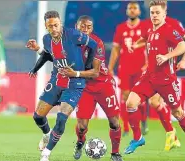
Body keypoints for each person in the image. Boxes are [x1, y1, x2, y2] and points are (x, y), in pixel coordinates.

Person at [29, 15, 123, 161]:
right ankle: (80, 142)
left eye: (89, 27)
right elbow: (55, 56)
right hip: (84, 86)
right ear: (77, 27)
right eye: (82, 26)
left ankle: (115, 153)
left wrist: (76, 73)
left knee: (114, 122)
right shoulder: (70, 38)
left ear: (92, 28)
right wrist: (39, 51)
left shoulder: (96, 43)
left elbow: (95, 72)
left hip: (102, 84)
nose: (85, 29)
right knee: (81, 126)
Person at [124, 1, 185, 158]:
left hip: (166, 80)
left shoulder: (170, 29)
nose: (154, 15)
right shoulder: (150, 28)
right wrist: (134, 46)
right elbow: (145, 39)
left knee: (177, 112)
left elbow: (183, 46)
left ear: (164, 14)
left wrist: (166, 57)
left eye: (157, 13)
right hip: (149, 77)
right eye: (152, 13)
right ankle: (138, 138)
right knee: (130, 103)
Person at [25, 11, 98, 161]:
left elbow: (93, 44)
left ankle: (46, 153)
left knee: (61, 118)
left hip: (74, 83)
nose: (54, 28)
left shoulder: (72, 35)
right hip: (56, 80)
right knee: (38, 116)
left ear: (61, 24)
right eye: (50, 26)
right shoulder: (46, 40)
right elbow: (48, 55)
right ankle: (47, 134)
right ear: (46, 27)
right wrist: (35, 68)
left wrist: (87, 66)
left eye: (56, 25)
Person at [108, 1, 149, 137]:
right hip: (124, 68)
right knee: (125, 97)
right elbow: (116, 49)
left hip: (140, 69)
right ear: (126, 11)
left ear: (139, 11)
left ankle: (143, 121)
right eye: (129, 8)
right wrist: (110, 67)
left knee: (140, 99)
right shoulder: (120, 28)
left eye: (134, 8)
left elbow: (151, 46)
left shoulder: (145, 26)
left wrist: (148, 63)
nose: (132, 10)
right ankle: (125, 127)